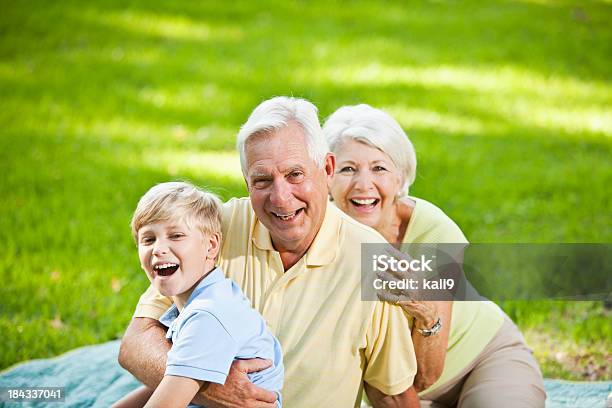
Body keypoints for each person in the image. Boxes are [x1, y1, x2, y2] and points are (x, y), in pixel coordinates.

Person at [119, 97, 420, 408]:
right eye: (262, 180)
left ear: (327, 169)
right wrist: (209, 387)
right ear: (247, 182)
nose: (280, 198)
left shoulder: (371, 261)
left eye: (295, 175)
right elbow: (137, 342)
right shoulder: (216, 231)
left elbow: (392, 393)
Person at [324, 104, 546, 407]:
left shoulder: (435, 232)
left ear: (400, 178)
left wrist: (426, 310)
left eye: (379, 168)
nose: (364, 184)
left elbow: (426, 375)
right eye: (348, 169)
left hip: (482, 359)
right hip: (398, 391)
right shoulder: (322, 236)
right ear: (327, 177)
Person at [113, 182, 283, 408]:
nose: (158, 249)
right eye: (148, 239)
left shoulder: (209, 315)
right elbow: (169, 382)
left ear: (211, 246)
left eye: (176, 235)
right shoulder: (208, 299)